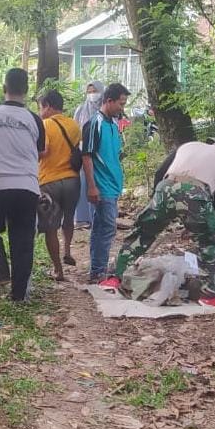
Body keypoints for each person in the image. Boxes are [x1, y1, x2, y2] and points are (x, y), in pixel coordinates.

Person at [112, 130, 215, 308]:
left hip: (165, 186)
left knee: (142, 232)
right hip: (196, 193)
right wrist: (198, 223)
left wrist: (156, 199)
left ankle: (116, 277)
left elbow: (160, 173)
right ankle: (210, 295)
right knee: (209, 242)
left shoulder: (188, 146)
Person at [0, 68, 45, 302]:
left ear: (4, 89)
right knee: (23, 240)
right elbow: (41, 152)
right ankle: (18, 295)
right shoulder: (35, 119)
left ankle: (2, 273)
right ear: (26, 91)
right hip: (27, 187)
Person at [82, 82, 131, 283]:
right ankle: (98, 271)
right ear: (109, 101)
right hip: (102, 187)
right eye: (120, 103)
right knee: (107, 228)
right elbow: (87, 156)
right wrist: (92, 186)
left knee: (101, 227)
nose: (122, 107)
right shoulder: (95, 123)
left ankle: (97, 269)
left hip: (113, 185)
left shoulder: (113, 125)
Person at [36, 89, 81, 281]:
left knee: (50, 226)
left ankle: (58, 269)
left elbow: (43, 151)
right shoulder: (73, 124)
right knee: (69, 218)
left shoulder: (44, 124)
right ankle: (68, 249)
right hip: (72, 180)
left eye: (40, 107)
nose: (39, 112)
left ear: (47, 106)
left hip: (49, 182)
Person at [73, 81, 104, 227]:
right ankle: (82, 218)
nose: (92, 94)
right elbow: (75, 129)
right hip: (83, 151)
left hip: (101, 153)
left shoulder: (105, 111)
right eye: (89, 91)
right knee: (84, 182)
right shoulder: (81, 110)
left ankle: (97, 217)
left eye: (95, 91)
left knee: (99, 183)